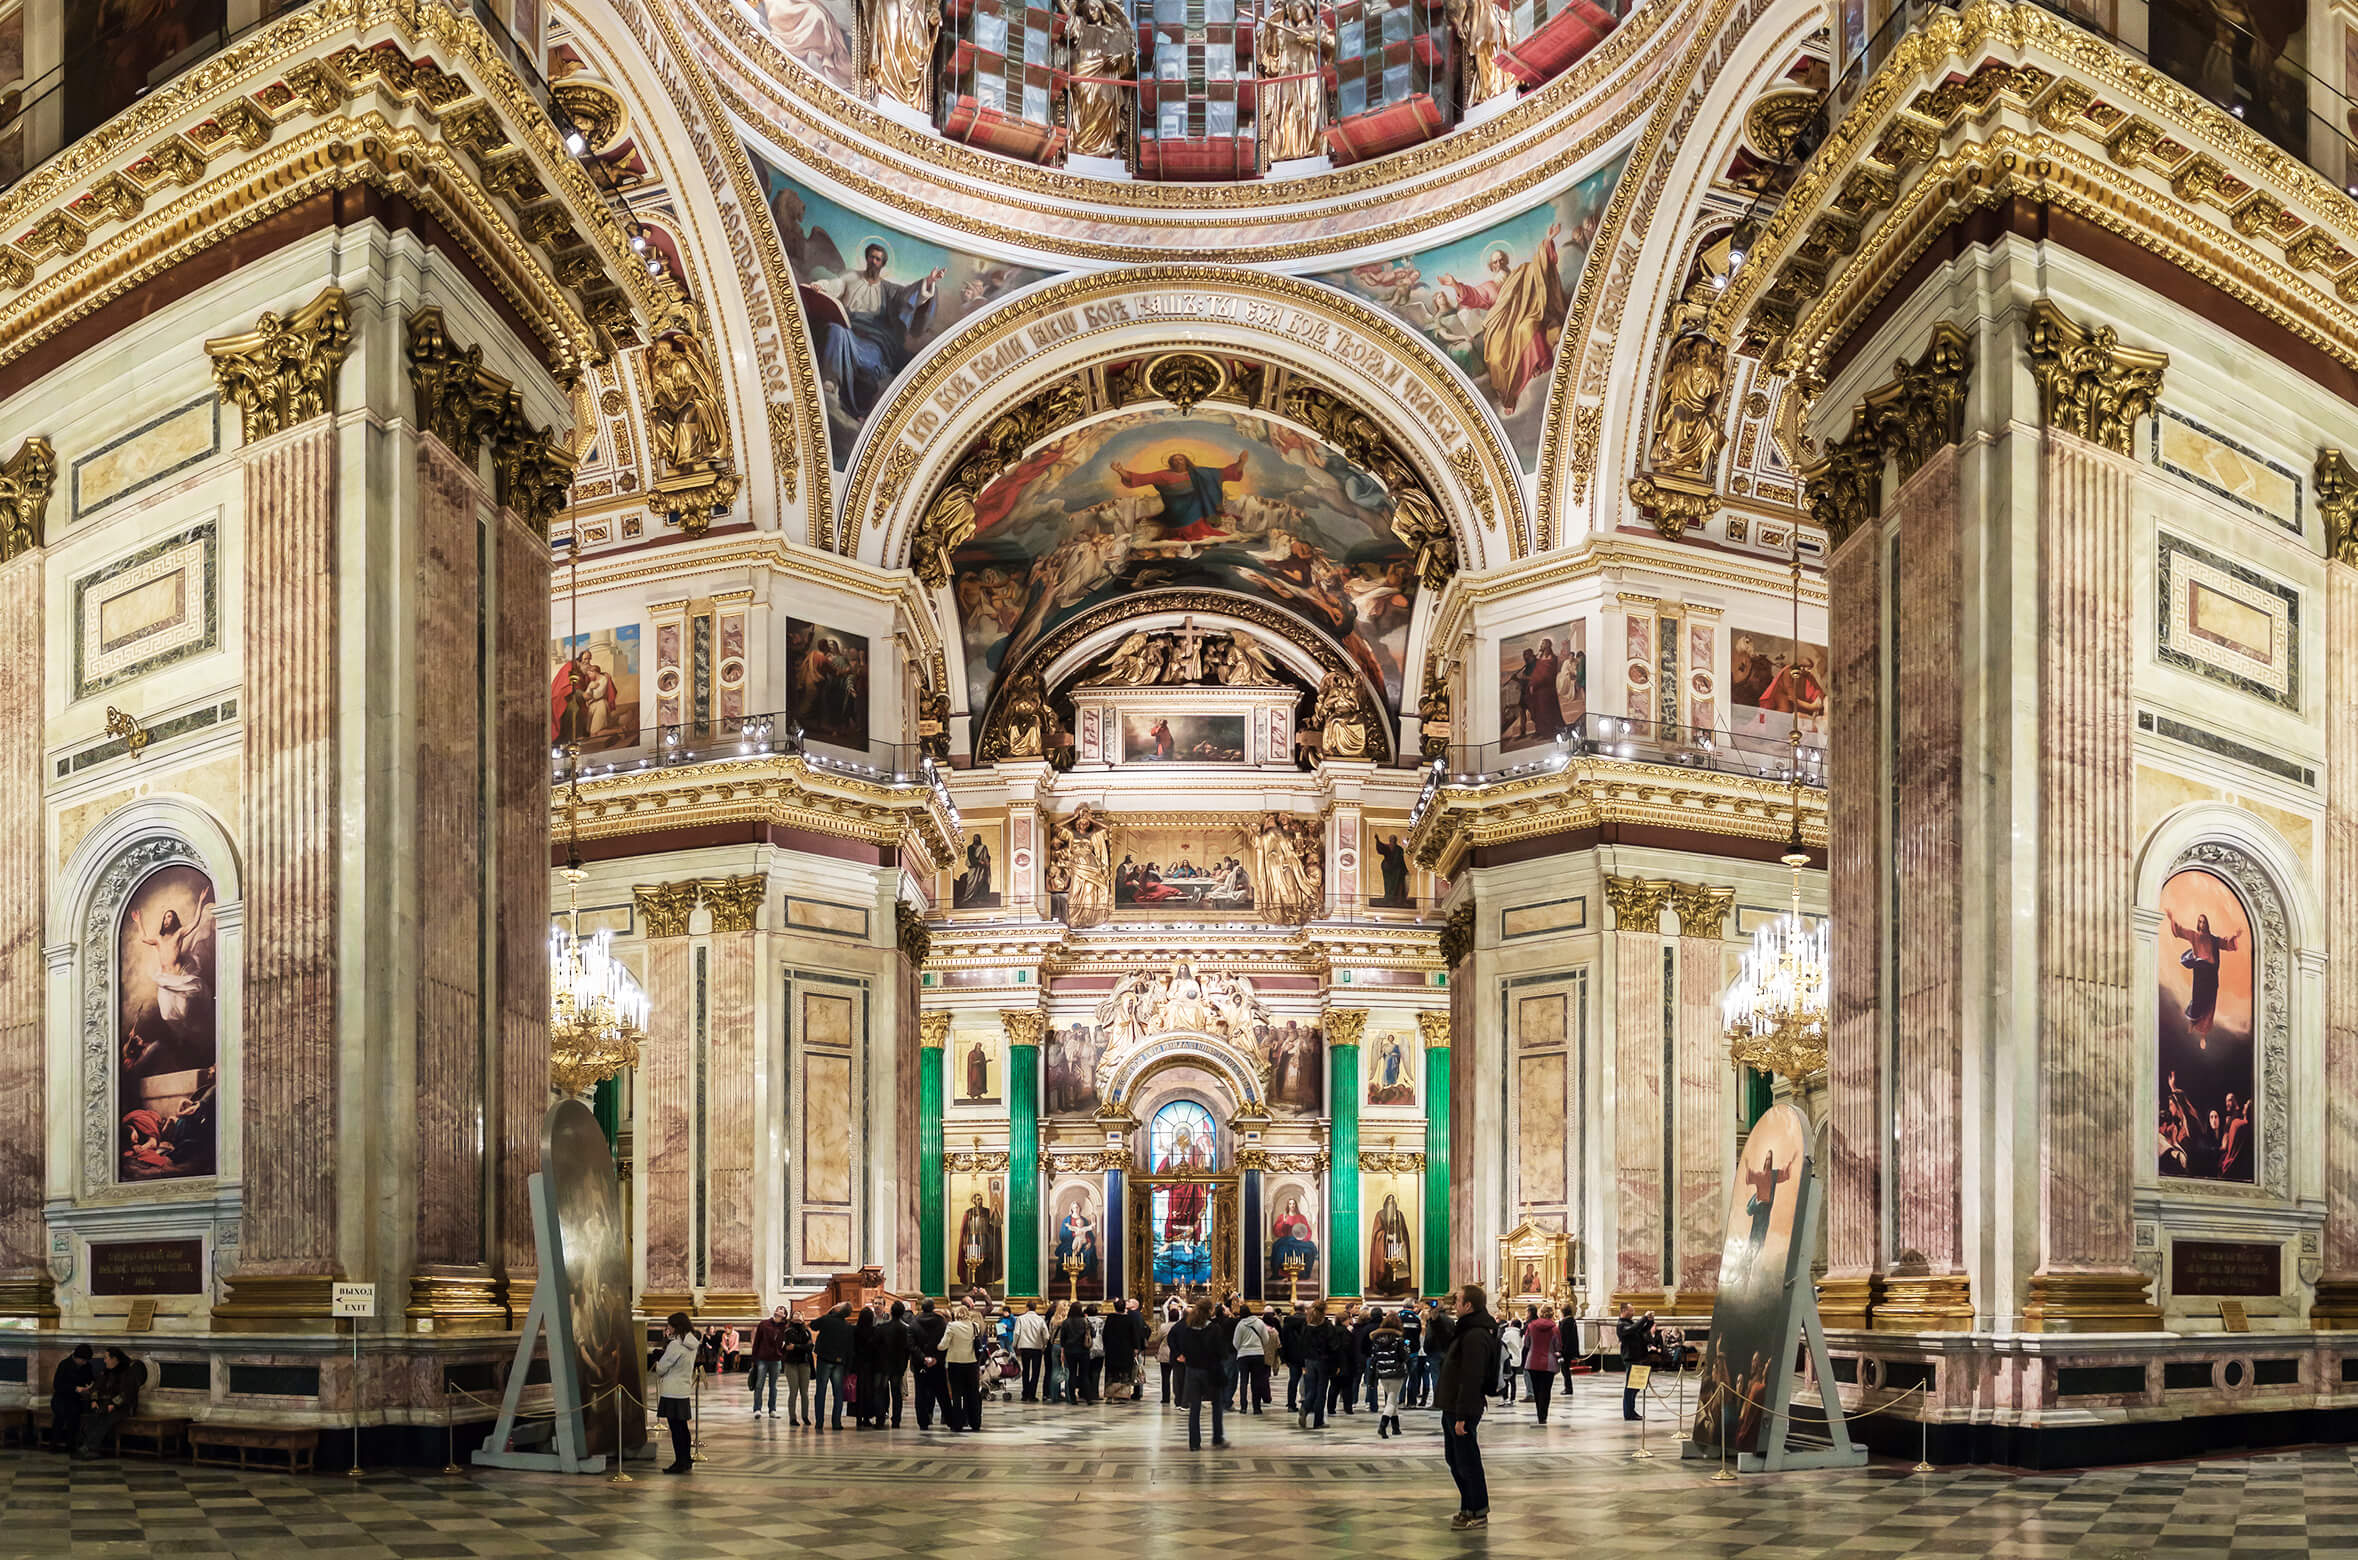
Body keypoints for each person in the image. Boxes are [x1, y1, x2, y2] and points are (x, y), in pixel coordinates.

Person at [1436, 1287, 1500, 1529]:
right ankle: (1467, 1507)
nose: (1455, 1303)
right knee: (1455, 1459)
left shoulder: (1476, 1335)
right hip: (1452, 1405)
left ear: (1469, 1306)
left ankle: (1478, 1510)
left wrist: (1462, 1416)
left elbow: (1471, 1377)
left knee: (1467, 1461)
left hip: (1462, 1408)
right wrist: (1435, 1320)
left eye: (1458, 1300)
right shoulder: (1466, 1329)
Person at [1172, 1298, 1231, 1450]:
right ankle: (1217, 1438)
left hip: (1192, 1370)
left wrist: (1182, 1354)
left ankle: (1194, 1443)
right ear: (1209, 1311)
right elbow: (1221, 1351)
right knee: (1216, 1404)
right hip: (1211, 1370)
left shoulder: (1188, 1328)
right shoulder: (1214, 1329)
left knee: (1195, 1408)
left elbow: (1177, 1342)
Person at [652, 1314, 698, 1474]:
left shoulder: (675, 1345)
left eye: (670, 1326)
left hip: (672, 1390)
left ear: (676, 1327)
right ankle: (686, 1459)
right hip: (683, 1389)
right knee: (682, 1428)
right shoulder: (692, 1343)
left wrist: (658, 1360)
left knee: (676, 1429)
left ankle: (679, 1462)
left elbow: (661, 1369)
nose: (668, 1329)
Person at [1369, 1308, 1412, 1438]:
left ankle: (1396, 1427)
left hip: (1382, 1371)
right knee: (1392, 1401)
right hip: (1396, 1372)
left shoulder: (1376, 1339)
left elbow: (1374, 1356)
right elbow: (1404, 1356)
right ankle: (1382, 1426)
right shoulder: (1398, 1339)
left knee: (1391, 1397)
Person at [813, 1300, 855, 1430]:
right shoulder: (848, 1326)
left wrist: (828, 1311)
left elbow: (813, 1325)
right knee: (838, 1393)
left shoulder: (827, 1320)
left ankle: (819, 1422)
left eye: (838, 1304)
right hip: (839, 1362)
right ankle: (836, 1422)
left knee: (821, 1391)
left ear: (837, 1309)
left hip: (825, 1360)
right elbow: (850, 1348)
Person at [942, 1304, 984, 1431]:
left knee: (956, 1394)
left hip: (955, 1363)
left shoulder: (952, 1326)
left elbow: (944, 1344)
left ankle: (957, 1423)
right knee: (972, 1393)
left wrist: (938, 1348)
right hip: (971, 1363)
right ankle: (975, 1422)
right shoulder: (974, 1326)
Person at [1297, 1302, 1337, 1430]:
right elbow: (1333, 1345)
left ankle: (1305, 1407)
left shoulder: (1306, 1325)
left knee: (1311, 1389)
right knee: (1321, 1391)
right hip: (1322, 1361)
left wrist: (1303, 1361)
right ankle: (1318, 1421)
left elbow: (1301, 1343)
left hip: (1309, 1360)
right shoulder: (1326, 1325)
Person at [912, 1299, 950, 1430]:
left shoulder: (914, 1322)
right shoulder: (941, 1322)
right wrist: (936, 1358)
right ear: (933, 1308)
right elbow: (945, 1343)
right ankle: (950, 1420)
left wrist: (923, 1358)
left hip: (920, 1364)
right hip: (937, 1363)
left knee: (920, 1393)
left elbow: (912, 1345)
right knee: (942, 1392)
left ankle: (923, 1422)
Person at [49, 1343, 94, 1452]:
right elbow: (57, 1385)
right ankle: (54, 1444)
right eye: (83, 1360)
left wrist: (89, 1386)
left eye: (86, 1361)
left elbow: (90, 1379)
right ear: (76, 1357)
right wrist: (74, 1388)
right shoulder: (64, 1364)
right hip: (61, 1398)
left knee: (75, 1414)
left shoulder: (87, 1366)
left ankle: (71, 1445)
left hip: (76, 1399)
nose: (84, 1363)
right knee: (61, 1413)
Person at [1616, 1304, 1655, 1422]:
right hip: (1630, 1358)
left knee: (1635, 1387)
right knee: (1630, 1387)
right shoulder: (1621, 1325)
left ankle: (1631, 1411)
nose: (1633, 1312)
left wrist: (1649, 1321)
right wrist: (1643, 1318)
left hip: (1637, 1357)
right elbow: (1633, 1329)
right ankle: (1628, 1413)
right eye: (1631, 1310)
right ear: (1624, 1311)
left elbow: (1641, 1329)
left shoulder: (1629, 1323)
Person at [1522, 1305, 1561, 1424]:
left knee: (1537, 1389)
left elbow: (1526, 1342)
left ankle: (1539, 1412)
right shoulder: (1554, 1328)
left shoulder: (1531, 1326)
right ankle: (1543, 1415)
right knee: (1546, 1390)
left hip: (1533, 1360)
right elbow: (1558, 1345)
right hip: (1549, 1362)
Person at [749, 1305, 788, 1418]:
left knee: (773, 1386)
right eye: (778, 1310)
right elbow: (757, 1341)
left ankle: (772, 1409)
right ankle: (757, 1409)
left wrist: (782, 1356)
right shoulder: (764, 1324)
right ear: (774, 1312)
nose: (779, 1312)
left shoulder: (785, 1327)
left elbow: (786, 1343)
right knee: (759, 1384)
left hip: (776, 1359)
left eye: (782, 1311)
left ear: (785, 1315)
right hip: (762, 1358)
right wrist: (754, 1358)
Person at [1232, 1300, 1271, 1413]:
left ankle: (1243, 1407)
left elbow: (1235, 1342)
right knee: (1257, 1381)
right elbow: (1266, 1338)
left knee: (1244, 1381)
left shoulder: (1240, 1325)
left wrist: (1242, 1349)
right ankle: (1256, 1407)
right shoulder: (1259, 1322)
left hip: (1243, 1355)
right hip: (1258, 1354)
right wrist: (1259, 1346)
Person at [880, 1301, 914, 1427]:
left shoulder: (883, 1328)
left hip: (884, 1364)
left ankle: (882, 1416)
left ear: (891, 1312)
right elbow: (908, 1348)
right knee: (896, 1393)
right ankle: (896, 1420)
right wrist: (905, 1362)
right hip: (899, 1364)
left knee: (883, 1392)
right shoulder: (906, 1329)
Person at [780, 1310, 815, 1425]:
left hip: (804, 1363)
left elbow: (809, 1347)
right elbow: (788, 1346)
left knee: (804, 1392)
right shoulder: (788, 1331)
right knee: (793, 1391)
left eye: (800, 1314)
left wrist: (796, 1346)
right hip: (791, 1363)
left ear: (803, 1318)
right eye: (795, 1314)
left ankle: (805, 1416)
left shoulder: (806, 1332)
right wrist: (800, 1346)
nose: (797, 1315)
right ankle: (792, 1417)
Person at [1059, 1300, 1093, 1405]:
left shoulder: (1066, 1322)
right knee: (1084, 1374)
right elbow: (1093, 1334)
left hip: (1070, 1351)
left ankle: (1073, 1398)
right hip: (1083, 1350)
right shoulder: (1085, 1321)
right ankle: (1088, 1397)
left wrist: (1064, 1349)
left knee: (1072, 1374)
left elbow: (1062, 1338)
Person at [1014, 1300, 1049, 1402]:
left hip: (1024, 1347)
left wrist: (1015, 1344)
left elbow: (1016, 1333)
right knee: (1035, 1372)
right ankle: (1032, 1394)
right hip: (1036, 1348)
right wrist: (1044, 1344)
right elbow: (1046, 1335)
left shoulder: (1021, 1319)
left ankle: (1025, 1393)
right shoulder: (1040, 1319)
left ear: (1027, 1307)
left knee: (1025, 1371)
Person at [1498, 1313, 1525, 1404]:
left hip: (1509, 1359)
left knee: (1505, 1379)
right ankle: (1513, 1398)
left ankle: (1505, 1398)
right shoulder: (1520, 1334)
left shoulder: (1508, 1333)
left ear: (1512, 1325)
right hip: (1517, 1359)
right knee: (1513, 1381)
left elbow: (1501, 1344)